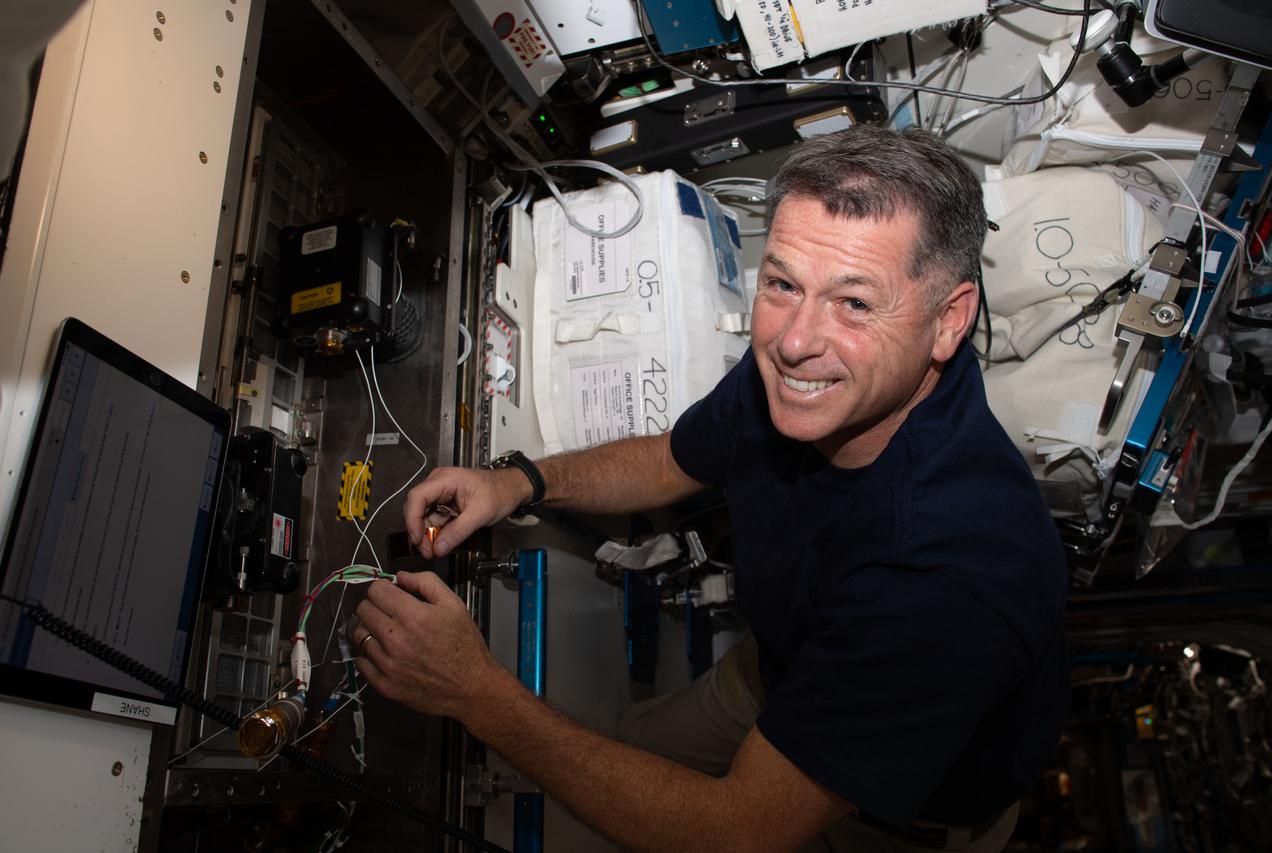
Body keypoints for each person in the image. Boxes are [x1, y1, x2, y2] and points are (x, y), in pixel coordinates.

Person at [350, 126, 1069, 852]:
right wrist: (518, 482)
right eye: (782, 283)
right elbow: (674, 458)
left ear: (948, 320)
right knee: (629, 753)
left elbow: (737, 830)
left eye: (854, 302)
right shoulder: (818, 372)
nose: (794, 342)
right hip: (777, 669)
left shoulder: (948, 574)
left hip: (894, 818)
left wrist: (474, 693)